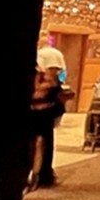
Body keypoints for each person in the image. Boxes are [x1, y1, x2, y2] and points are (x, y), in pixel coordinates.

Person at [27, 63, 66, 191]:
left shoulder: (51, 87)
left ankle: (39, 175)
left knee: (41, 145)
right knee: (38, 146)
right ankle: (38, 175)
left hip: (42, 118)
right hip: (39, 118)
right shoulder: (48, 85)